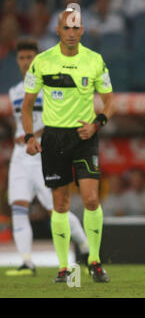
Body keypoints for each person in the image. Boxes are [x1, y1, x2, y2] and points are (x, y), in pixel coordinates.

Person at [21, 7, 115, 283]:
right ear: (58, 30)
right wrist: (29, 137)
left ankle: (95, 262)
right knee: (59, 204)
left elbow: (111, 103)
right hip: (53, 139)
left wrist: (96, 124)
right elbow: (27, 108)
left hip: (84, 136)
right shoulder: (42, 62)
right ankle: (64, 268)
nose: (72, 33)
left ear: (82, 30)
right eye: (67, 28)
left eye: (76, 28)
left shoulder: (95, 60)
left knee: (91, 199)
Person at [5, 38, 89, 277]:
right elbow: (19, 120)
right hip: (20, 157)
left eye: (29, 57)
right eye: (21, 58)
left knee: (57, 209)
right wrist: (19, 135)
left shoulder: (52, 87)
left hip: (45, 152)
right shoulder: (15, 92)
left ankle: (85, 245)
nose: (25, 62)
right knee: (18, 206)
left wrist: (35, 134)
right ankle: (27, 262)